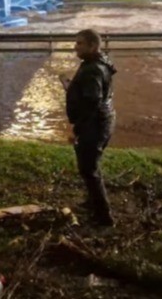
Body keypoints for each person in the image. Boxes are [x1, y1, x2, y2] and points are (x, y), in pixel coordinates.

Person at [60, 29, 117, 226]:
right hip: (103, 121)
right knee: (91, 165)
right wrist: (72, 88)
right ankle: (93, 201)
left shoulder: (92, 69)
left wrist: (78, 130)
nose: (75, 47)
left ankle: (103, 216)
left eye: (80, 44)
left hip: (94, 125)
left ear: (92, 46)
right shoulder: (100, 62)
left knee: (88, 169)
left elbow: (92, 102)